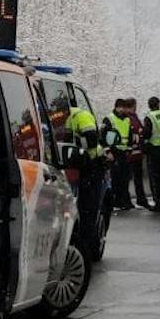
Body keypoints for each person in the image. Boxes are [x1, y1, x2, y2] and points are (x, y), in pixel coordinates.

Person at [64, 106, 109, 259]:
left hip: (89, 167)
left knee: (87, 211)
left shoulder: (79, 116)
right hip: (83, 167)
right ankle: (84, 249)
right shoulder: (74, 116)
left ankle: (86, 250)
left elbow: (91, 140)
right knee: (87, 212)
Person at [106, 99, 134, 211]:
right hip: (114, 152)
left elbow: (130, 136)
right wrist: (108, 152)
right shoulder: (109, 119)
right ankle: (115, 201)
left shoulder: (127, 120)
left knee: (125, 179)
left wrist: (129, 150)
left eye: (123, 107)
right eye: (120, 107)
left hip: (124, 153)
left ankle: (123, 201)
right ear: (116, 107)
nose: (122, 110)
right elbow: (104, 136)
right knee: (116, 178)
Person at [125, 97, 151, 209]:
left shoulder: (133, 117)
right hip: (132, 154)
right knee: (131, 178)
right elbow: (136, 132)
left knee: (136, 178)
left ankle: (140, 199)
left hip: (136, 153)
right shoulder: (129, 118)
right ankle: (132, 199)